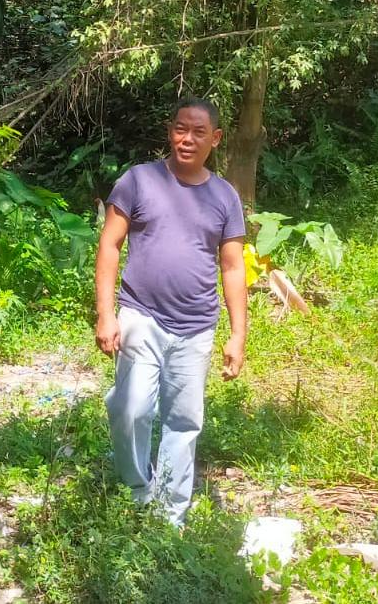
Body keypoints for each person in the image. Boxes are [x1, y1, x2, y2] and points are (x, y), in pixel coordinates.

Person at [95, 97, 248, 526]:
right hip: (140, 314)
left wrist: (238, 335)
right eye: (182, 129)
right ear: (170, 131)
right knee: (131, 409)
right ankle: (137, 488)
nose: (188, 139)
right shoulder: (138, 181)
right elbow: (110, 245)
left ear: (215, 139)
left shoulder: (225, 196)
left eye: (199, 132)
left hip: (197, 325)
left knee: (183, 421)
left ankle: (169, 516)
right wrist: (106, 314)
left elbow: (233, 267)